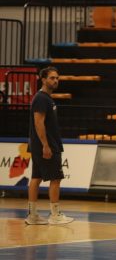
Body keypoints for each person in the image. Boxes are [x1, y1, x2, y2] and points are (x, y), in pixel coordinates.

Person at [25, 67, 74, 225]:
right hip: (47, 146)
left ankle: (32, 216)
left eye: (57, 78)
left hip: (40, 145)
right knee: (56, 178)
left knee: (36, 177)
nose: (55, 81)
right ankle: (55, 215)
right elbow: (38, 123)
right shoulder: (41, 99)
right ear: (43, 79)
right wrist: (46, 145)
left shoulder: (46, 98)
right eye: (52, 78)